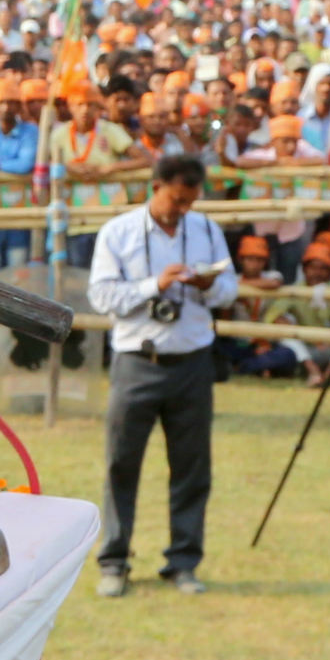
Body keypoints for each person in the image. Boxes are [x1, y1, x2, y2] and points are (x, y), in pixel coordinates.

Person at [85, 148, 236, 596]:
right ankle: (114, 561)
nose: (184, 209)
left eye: (191, 201)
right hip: (137, 361)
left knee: (192, 467)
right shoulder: (119, 232)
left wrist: (210, 285)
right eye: (177, 200)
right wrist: (157, 284)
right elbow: (101, 296)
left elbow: (230, 288)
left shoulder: (206, 229)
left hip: (192, 361)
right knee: (121, 463)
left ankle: (183, 561)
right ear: (156, 188)